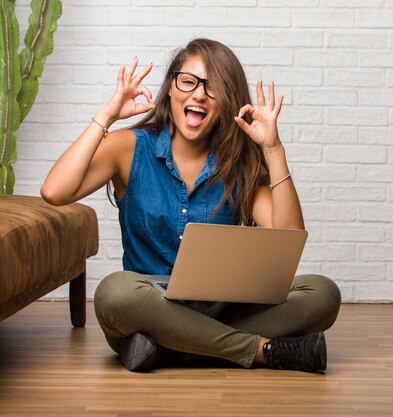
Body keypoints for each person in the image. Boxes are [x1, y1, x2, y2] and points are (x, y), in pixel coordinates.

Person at [40, 38, 341, 373]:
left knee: (323, 293)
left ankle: (168, 349)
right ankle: (261, 350)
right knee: (115, 293)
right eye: (189, 81)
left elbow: (288, 238)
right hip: (149, 305)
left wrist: (273, 150)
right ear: (171, 87)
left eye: (213, 88)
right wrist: (106, 116)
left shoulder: (238, 163)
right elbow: (54, 191)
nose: (199, 94)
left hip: (222, 307)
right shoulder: (128, 148)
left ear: (228, 102)